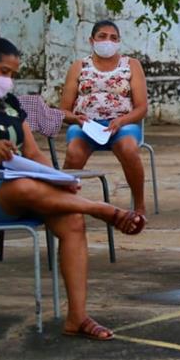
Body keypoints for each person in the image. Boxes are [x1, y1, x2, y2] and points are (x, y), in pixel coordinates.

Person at [0, 38, 144, 340]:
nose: (7, 80)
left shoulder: (11, 105)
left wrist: (57, 179)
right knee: (23, 187)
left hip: (21, 185)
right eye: (1, 71)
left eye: (12, 75)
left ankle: (78, 317)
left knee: (72, 219)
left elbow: (32, 154)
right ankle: (103, 209)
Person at [59, 21, 149, 215]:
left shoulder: (131, 65)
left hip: (122, 124)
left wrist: (121, 121)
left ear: (119, 42)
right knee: (74, 152)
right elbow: (64, 111)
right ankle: (63, 204)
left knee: (129, 149)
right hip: (85, 125)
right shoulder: (79, 66)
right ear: (91, 40)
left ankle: (139, 206)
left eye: (113, 38)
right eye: (102, 36)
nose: (108, 41)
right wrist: (77, 119)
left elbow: (142, 108)